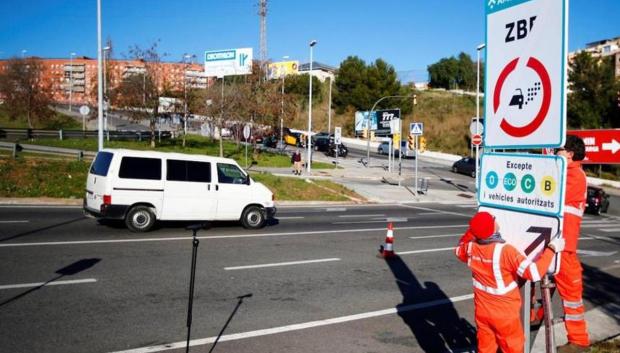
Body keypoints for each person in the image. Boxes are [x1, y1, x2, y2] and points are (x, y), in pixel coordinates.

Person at [455, 211, 564, 353]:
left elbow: (458, 249)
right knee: (513, 348)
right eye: (493, 219)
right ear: (492, 227)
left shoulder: (470, 248)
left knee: (485, 348)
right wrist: (552, 248)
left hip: (482, 313)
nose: (495, 219)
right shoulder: (505, 251)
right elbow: (535, 273)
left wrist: (473, 230)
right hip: (505, 316)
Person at [552, 135, 590, 352]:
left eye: (560, 149)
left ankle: (578, 341)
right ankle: (537, 314)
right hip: (554, 240)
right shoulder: (565, 172)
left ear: (570, 154)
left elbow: (551, 197)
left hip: (564, 245)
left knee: (571, 294)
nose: (556, 152)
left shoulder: (574, 175)